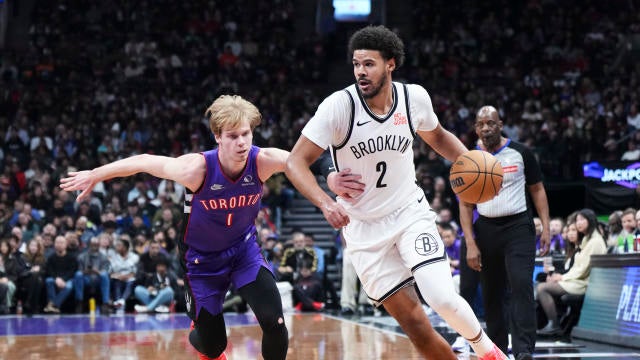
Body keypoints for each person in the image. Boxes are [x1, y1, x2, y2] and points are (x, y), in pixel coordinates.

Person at [285, 25, 506, 360]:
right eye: (357, 64)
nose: (361, 71)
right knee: (416, 326)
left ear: (390, 63)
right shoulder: (338, 106)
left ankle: (487, 351)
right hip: (363, 230)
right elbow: (295, 162)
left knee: (441, 297)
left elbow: (439, 136)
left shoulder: (413, 98)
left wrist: (473, 163)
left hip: (408, 213)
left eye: (369, 64)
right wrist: (325, 202)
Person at [60, 95, 289, 360]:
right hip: (202, 261)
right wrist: (95, 174)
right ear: (218, 137)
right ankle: (200, 330)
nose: (241, 142)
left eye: (246, 134)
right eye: (233, 135)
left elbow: (300, 160)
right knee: (214, 347)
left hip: (243, 251)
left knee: (275, 321)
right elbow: (144, 161)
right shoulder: (196, 168)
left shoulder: (262, 160)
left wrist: (331, 176)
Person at [459, 105, 551, 360]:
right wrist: (470, 242)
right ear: (476, 128)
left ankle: (523, 350)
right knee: (491, 292)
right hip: (486, 229)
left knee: (521, 285)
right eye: (481, 124)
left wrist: (545, 226)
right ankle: (497, 348)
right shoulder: (470, 157)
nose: (486, 128)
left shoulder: (521, 152)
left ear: (500, 125)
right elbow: (465, 204)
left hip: (518, 227)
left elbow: (537, 190)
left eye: (491, 123)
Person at [536, 209, 607, 335]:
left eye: (582, 219)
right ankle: (550, 323)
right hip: (577, 279)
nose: (579, 223)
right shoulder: (587, 240)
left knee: (543, 288)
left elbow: (583, 269)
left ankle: (554, 325)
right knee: (540, 284)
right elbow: (577, 268)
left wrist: (562, 278)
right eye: (577, 220)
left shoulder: (595, 241)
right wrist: (561, 276)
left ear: (590, 220)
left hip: (585, 283)